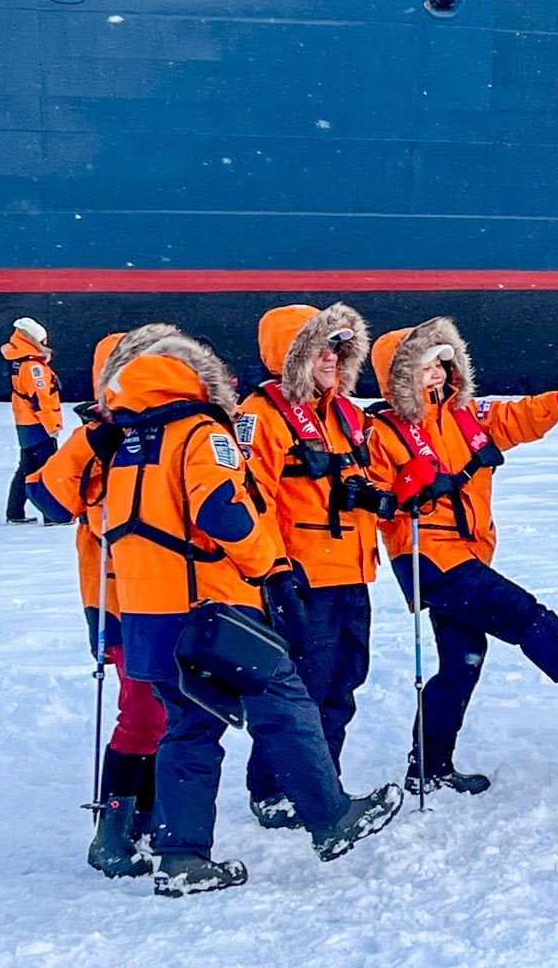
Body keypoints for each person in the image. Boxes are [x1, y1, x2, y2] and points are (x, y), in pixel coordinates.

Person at [82, 324, 400, 896]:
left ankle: (181, 856)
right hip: (211, 607)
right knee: (286, 701)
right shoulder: (201, 431)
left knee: (189, 726)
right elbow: (223, 511)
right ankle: (329, 817)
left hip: (148, 613)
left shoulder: (126, 440)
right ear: (193, 376)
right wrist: (270, 568)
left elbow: (57, 498)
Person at [364, 316, 558, 795]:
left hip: (467, 552)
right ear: (399, 376)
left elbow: (517, 418)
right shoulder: (382, 432)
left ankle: (430, 767)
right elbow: (370, 498)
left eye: (441, 363)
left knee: (462, 660)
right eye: (424, 366)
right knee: (522, 613)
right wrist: (400, 493)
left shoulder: (464, 415)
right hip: (429, 557)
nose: (436, 373)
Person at [234, 303, 395, 829]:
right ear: (292, 354)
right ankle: (272, 790)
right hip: (303, 577)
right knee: (300, 690)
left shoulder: (346, 413)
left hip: (352, 572)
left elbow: (359, 475)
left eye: (338, 348)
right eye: (320, 348)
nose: (332, 357)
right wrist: (274, 575)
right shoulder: (260, 416)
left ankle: (323, 786)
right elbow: (251, 501)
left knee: (343, 683)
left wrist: (381, 494)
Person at [26, 331, 168, 878]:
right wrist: (94, 444)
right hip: (120, 598)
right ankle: (111, 831)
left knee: (168, 710)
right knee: (143, 712)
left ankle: (146, 816)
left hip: (172, 592)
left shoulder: (174, 430)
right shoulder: (96, 439)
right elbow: (49, 498)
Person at [3, 317, 62, 524]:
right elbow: (41, 399)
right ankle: (51, 515)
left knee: (27, 468)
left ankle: (15, 512)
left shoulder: (19, 361)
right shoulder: (33, 366)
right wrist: (52, 426)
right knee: (47, 470)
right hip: (39, 425)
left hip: (26, 422)